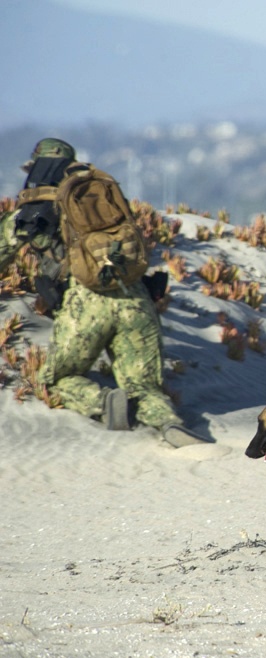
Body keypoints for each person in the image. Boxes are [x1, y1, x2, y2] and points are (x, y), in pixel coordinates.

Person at [0, 138, 210, 447]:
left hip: (84, 303)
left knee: (56, 379)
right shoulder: (100, 193)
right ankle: (168, 423)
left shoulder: (34, 205)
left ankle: (103, 401)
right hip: (135, 296)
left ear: (36, 167)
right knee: (145, 386)